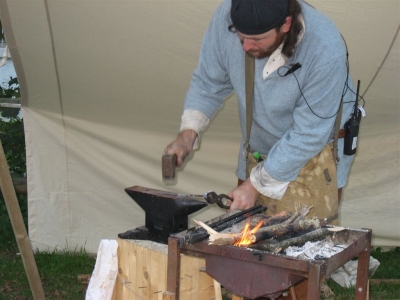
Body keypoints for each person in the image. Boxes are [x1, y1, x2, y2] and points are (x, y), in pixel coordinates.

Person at [164, 0, 356, 220]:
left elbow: (309, 134)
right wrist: (188, 132)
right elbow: (209, 82)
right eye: (240, 36)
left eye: (256, 39)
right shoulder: (230, 15)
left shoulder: (325, 49)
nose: (245, 47)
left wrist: (254, 186)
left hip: (314, 151)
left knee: (307, 244)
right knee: (245, 237)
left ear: (286, 25)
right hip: (258, 148)